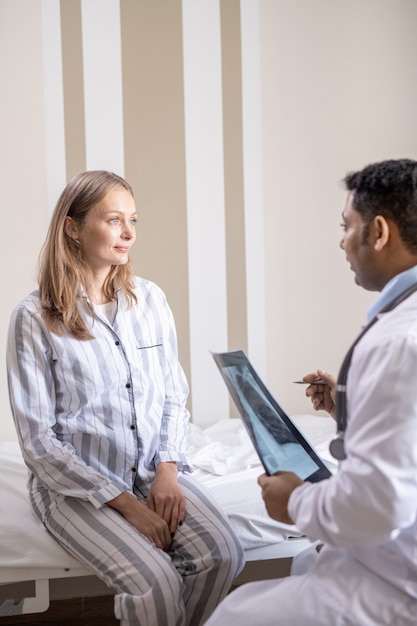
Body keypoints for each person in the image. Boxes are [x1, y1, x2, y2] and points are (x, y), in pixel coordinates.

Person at [6, 171, 244, 626]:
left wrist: (169, 472)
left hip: (153, 470)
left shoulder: (149, 300)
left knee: (223, 555)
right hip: (76, 486)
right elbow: (38, 442)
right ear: (72, 227)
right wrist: (128, 505)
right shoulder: (34, 317)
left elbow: (174, 394)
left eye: (132, 219)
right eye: (114, 220)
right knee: (155, 582)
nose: (129, 233)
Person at [204, 158, 417, 625]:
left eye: (347, 226)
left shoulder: (399, 339)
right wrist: (351, 402)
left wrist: (295, 501)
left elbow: (380, 506)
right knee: (304, 565)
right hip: (389, 561)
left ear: (378, 232)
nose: (341, 241)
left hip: (395, 587)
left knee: (232, 616)